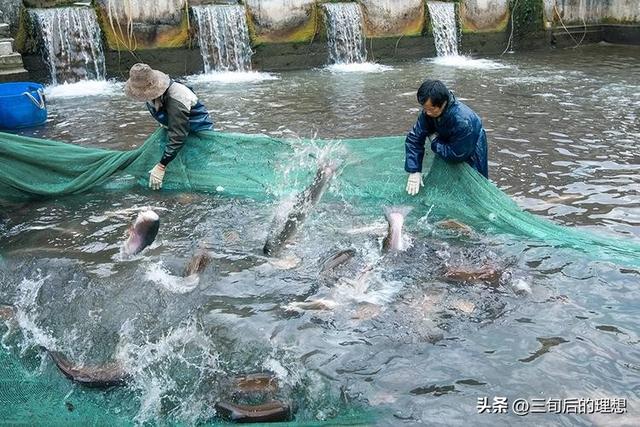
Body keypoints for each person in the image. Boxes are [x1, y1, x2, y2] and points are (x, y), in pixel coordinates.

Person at [124, 63, 214, 190]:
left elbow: (178, 135)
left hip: (198, 134)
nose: (143, 96)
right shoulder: (152, 96)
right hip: (174, 130)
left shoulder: (177, 96)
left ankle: (193, 195)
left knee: (193, 172)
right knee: (174, 169)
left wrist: (161, 166)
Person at [404, 79, 488, 196]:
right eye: (425, 108)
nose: (427, 113)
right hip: (445, 143)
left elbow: (456, 155)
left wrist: (434, 140)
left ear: (443, 103)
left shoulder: (464, 121)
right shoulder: (429, 113)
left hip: (469, 150)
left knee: (473, 191)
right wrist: (414, 170)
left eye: (431, 109)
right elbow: (414, 138)